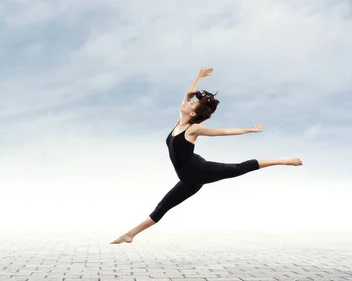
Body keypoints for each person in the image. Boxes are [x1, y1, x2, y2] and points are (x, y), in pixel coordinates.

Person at [110, 67, 303, 245]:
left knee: (238, 168)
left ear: (193, 113)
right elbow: (187, 95)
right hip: (188, 179)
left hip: (200, 170)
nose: (187, 102)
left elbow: (224, 132)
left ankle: (284, 160)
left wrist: (250, 130)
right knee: (163, 206)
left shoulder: (193, 129)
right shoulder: (179, 123)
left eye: (191, 103)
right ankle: (130, 235)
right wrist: (198, 77)